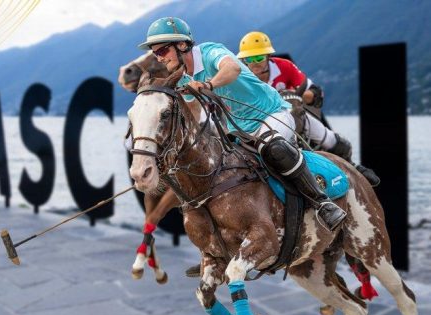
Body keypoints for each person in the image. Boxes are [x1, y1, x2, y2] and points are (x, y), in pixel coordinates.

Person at [138, 17, 346, 231]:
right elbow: (192, 114)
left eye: (162, 51)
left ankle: (322, 203)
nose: (159, 59)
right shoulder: (182, 78)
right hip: (237, 130)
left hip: (271, 114)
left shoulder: (210, 52)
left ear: (182, 45)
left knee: (272, 148)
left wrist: (208, 84)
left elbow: (232, 69)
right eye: (155, 54)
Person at [237, 31, 380, 186]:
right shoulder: (240, 76)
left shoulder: (285, 66)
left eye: (259, 57)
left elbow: (315, 91)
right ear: (243, 60)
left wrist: (302, 96)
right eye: (249, 59)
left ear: (268, 56)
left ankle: (352, 169)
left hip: (293, 117)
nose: (255, 63)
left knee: (332, 140)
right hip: (259, 123)